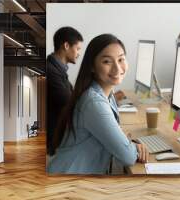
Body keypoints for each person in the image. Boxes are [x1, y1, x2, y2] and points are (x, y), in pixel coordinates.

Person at [47, 34, 148, 174]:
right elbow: (128, 157)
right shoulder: (93, 102)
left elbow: (114, 133)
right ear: (92, 66)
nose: (117, 68)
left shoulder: (106, 94)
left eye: (121, 59)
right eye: (107, 61)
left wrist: (129, 144)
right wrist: (133, 147)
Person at [46, 27, 83, 155]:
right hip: (56, 140)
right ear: (66, 45)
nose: (79, 53)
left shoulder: (59, 70)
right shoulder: (51, 72)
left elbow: (74, 96)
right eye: (77, 49)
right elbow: (71, 102)